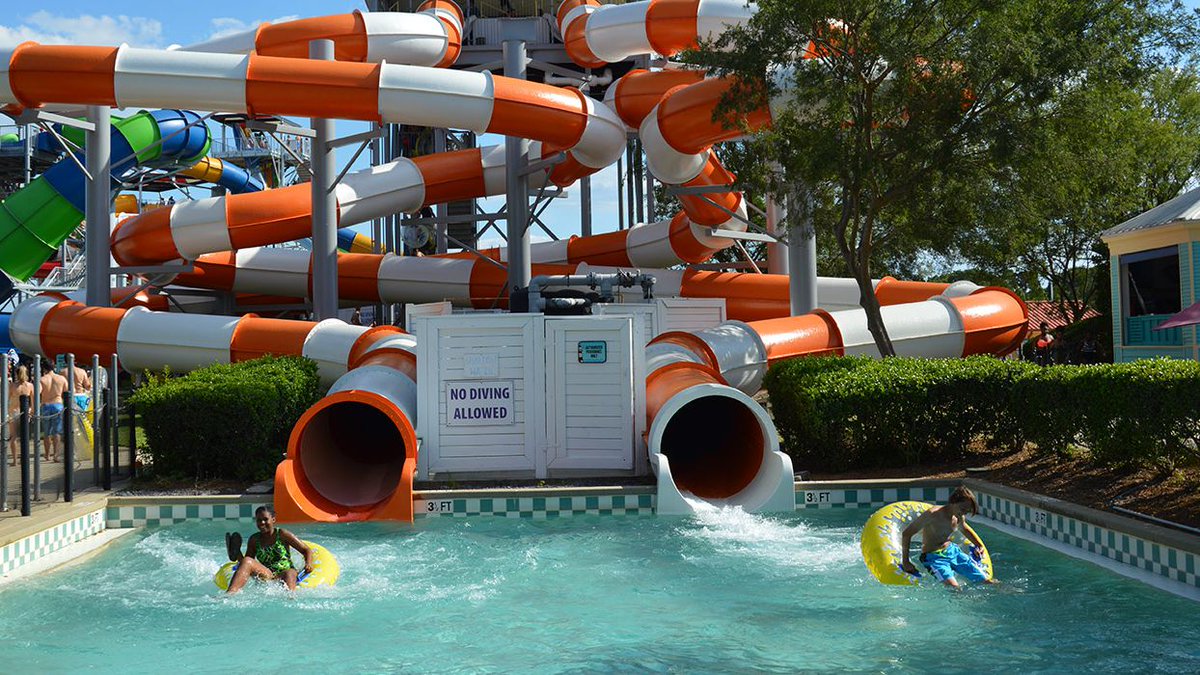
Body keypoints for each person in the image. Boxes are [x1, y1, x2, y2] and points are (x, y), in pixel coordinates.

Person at [900, 486, 998, 589]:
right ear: (953, 502)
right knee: (955, 588)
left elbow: (965, 529)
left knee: (986, 581)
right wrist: (906, 562)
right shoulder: (932, 514)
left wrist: (979, 545)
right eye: (963, 509)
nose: (964, 513)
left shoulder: (958, 515)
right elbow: (906, 534)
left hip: (953, 552)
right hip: (934, 558)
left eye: (967, 511)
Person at [223, 505, 313, 594]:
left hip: (285, 573)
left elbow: (306, 550)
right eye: (259, 520)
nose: (262, 522)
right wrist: (240, 557)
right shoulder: (254, 539)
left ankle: (290, 597)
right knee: (246, 561)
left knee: (290, 572)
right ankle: (230, 593)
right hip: (267, 574)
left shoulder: (282, 534)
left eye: (265, 519)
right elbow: (248, 563)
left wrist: (308, 563)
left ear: (273, 519)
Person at [37, 360, 69, 463]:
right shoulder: (61, 378)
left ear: (44, 368)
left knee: (47, 432)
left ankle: (47, 454)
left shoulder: (42, 379)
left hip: (46, 405)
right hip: (58, 404)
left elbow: (38, 392)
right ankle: (56, 454)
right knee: (57, 431)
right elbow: (67, 391)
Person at [6, 365, 33, 466]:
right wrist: (31, 412)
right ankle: (24, 459)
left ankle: (15, 460)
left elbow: (7, 400)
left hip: (13, 412)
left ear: (17, 374)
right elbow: (33, 402)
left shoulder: (12, 386)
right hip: (25, 412)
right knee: (25, 437)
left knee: (13, 437)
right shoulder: (30, 386)